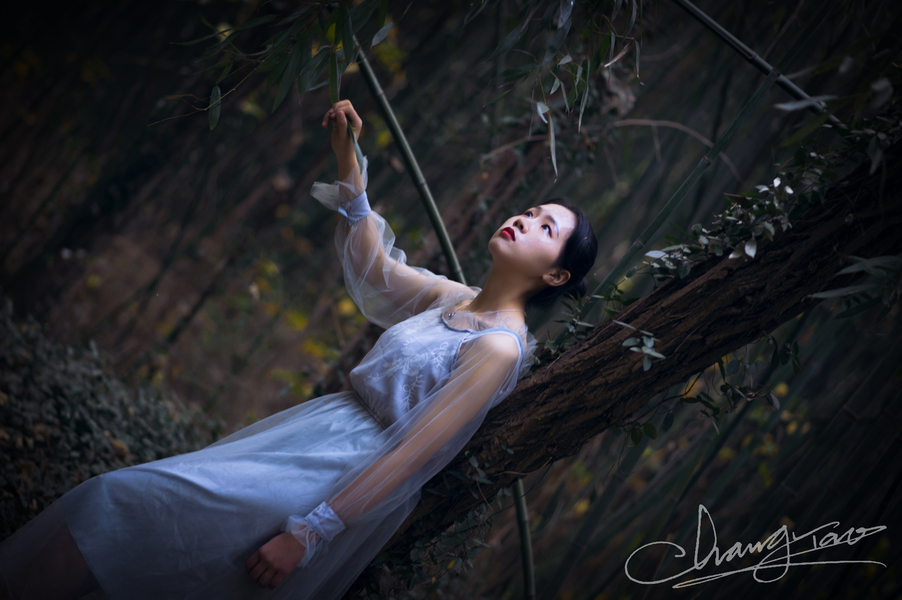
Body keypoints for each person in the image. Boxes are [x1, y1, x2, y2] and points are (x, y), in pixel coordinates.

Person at [0, 100, 598, 600]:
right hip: (313, 433)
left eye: (546, 228)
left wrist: (312, 531)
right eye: (530, 211)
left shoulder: (499, 348)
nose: (525, 220)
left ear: (557, 276)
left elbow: (414, 455)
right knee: (131, 516)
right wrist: (349, 160)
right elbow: (377, 272)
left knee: (125, 504)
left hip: (340, 476)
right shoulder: (456, 298)